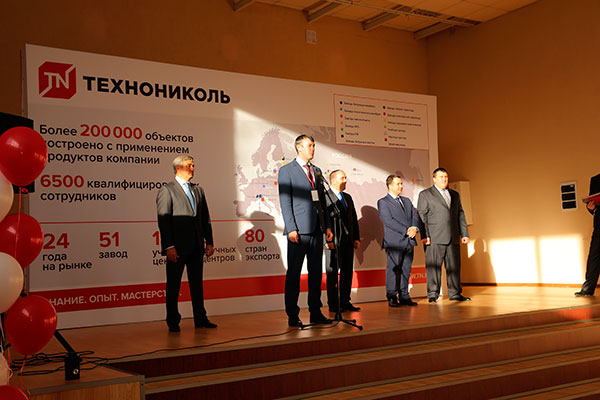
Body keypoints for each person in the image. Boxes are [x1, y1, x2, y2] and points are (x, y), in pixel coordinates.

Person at [156, 155, 216, 332]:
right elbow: (164, 221)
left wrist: (209, 242)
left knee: (197, 284)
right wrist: (169, 246)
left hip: (197, 246)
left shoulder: (198, 190)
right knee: (173, 285)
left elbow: (205, 218)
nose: (193, 168)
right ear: (178, 168)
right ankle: (173, 321)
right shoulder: (167, 190)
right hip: (177, 248)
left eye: (193, 165)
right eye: (190, 165)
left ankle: (200, 318)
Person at [278, 135, 333, 327]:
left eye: (314, 146)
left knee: (316, 273)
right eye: (309, 145)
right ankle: (293, 315)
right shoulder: (287, 170)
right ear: (299, 148)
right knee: (294, 273)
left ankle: (316, 311)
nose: (313, 149)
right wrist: (291, 228)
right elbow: (285, 201)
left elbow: (322, 201)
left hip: (317, 229)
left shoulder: (316, 171)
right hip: (298, 232)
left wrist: (327, 225)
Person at [417, 167, 470, 303]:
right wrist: (424, 235)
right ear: (434, 179)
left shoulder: (454, 194)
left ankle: (455, 293)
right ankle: (432, 294)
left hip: (453, 237)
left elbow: (460, 214)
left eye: (445, 177)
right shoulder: (425, 194)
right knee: (433, 267)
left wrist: (464, 233)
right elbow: (422, 216)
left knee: (454, 267)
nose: (444, 179)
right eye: (441, 177)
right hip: (434, 238)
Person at [377, 175, 420, 307]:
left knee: (406, 269)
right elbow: (388, 221)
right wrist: (407, 230)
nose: (401, 186)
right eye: (398, 184)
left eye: (401, 183)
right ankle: (392, 296)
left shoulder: (407, 201)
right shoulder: (383, 202)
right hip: (394, 242)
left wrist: (414, 228)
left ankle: (404, 295)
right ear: (390, 185)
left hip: (409, 241)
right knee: (393, 269)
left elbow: (414, 216)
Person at [324, 169, 361, 313]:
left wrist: (356, 237)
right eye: (342, 178)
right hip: (333, 241)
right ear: (333, 180)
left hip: (348, 241)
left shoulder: (348, 197)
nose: (345, 181)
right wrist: (326, 240)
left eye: (346, 178)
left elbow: (353, 219)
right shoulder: (325, 196)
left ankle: (345, 301)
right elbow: (323, 220)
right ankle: (333, 304)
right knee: (332, 273)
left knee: (347, 273)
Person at [575, 173, 600, 297]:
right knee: (594, 257)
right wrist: (590, 208)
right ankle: (587, 289)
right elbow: (592, 203)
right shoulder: (595, 180)